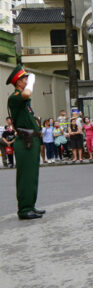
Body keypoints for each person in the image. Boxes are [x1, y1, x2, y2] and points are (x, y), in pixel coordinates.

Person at [6, 65, 45, 220]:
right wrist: (32, 81)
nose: (27, 80)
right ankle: (24, 209)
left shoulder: (23, 99)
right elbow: (28, 91)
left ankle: (30, 205)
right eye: (25, 78)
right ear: (18, 82)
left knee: (32, 176)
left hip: (32, 139)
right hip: (25, 141)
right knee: (26, 177)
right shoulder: (15, 97)